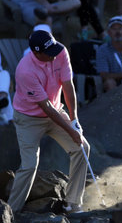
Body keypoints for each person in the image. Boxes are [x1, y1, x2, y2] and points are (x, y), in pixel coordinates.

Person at [10, 30, 90, 213]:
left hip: (55, 110)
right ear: (37, 53)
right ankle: (11, 212)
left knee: (82, 148)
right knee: (30, 165)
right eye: (49, 53)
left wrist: (74, 119)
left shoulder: (60, 52)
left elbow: (68, 86)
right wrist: (71, 131)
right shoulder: (25, 71)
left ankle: (73, 203)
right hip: (28, 118)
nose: (54, 56)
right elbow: (45, 106)